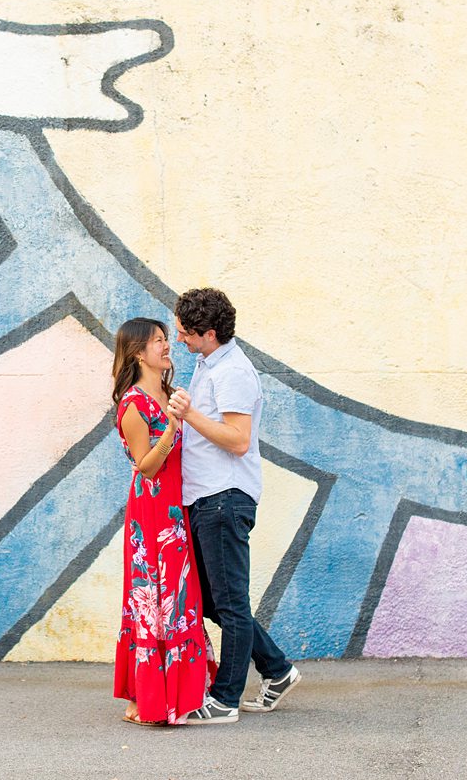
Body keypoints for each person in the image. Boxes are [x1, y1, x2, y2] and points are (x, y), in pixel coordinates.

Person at [168, 287, 300, 724]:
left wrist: (189, 416)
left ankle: (224, 700)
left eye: (186, 333)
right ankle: (277, 670)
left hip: (223, 498)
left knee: (230, 603)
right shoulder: (210, 364)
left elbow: (238, 440)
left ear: (208, 333)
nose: (179, 339)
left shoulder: (234, 373)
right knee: (211, 600)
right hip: (206, 497)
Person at [110, 317, 215, 726]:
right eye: (158, 341)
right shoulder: (133, 404)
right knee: (152, 598)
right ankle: (146, 699)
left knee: (177, 597)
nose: (167, 346)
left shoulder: (170, 394)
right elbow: (146, 467)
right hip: (151, 515)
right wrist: (172, 428)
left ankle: (180, 693)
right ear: (139, 353)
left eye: (166, 339)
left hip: (175, 512)